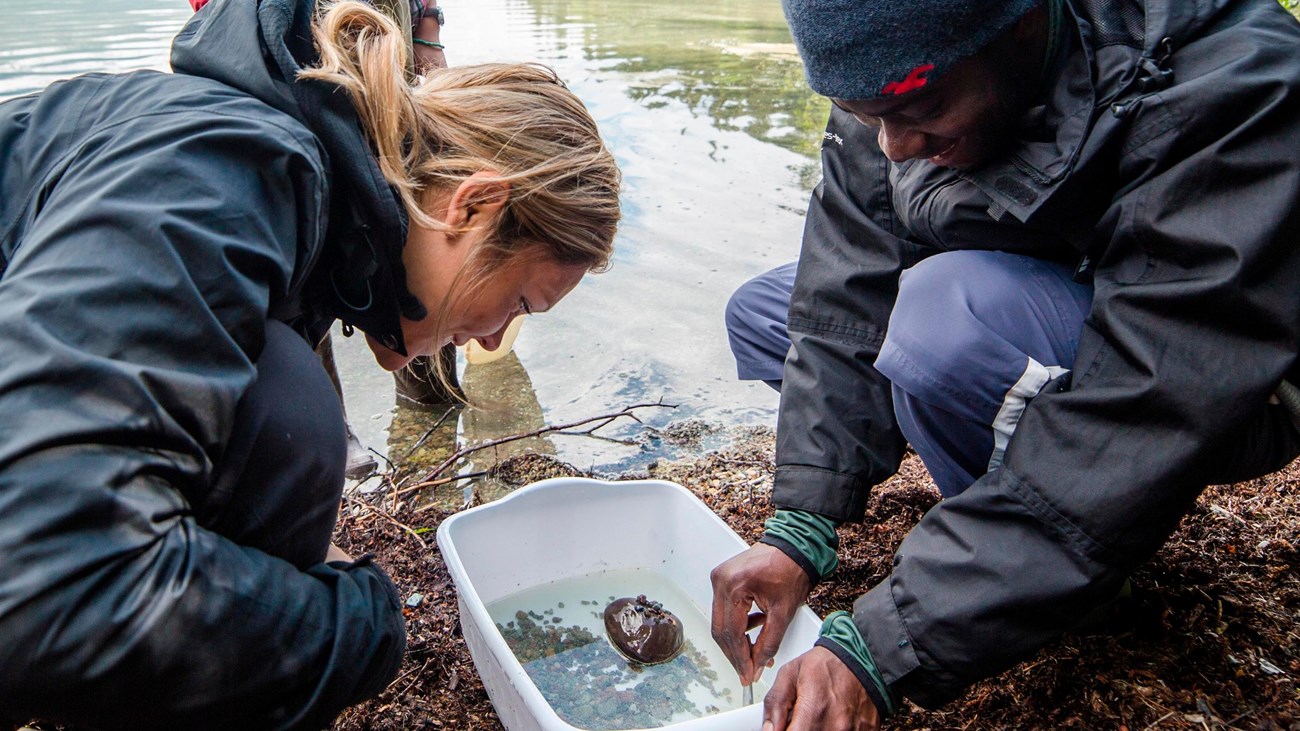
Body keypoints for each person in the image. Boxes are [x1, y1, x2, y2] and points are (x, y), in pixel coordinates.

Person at [0, 0, 620, 727]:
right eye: (518, 301)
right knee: (291, 413)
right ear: (473, 206)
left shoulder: (315, 211)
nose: (490, 341)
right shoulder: (225, 171)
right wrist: (364, 627)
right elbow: (40, 583)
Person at [712, 0, 1300, 728]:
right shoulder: (893, 70)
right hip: (1044, 273)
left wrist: (891, 640)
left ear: (1018, 26)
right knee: (768, 314)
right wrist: (800, 525)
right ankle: (997, 508)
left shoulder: (1225, 83)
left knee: (936, 326)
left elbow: (1157, 389)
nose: (893, 146)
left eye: (916, 111)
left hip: (1225, 366)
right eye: (866, 116)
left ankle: (1073, 577)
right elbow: (846, 280)